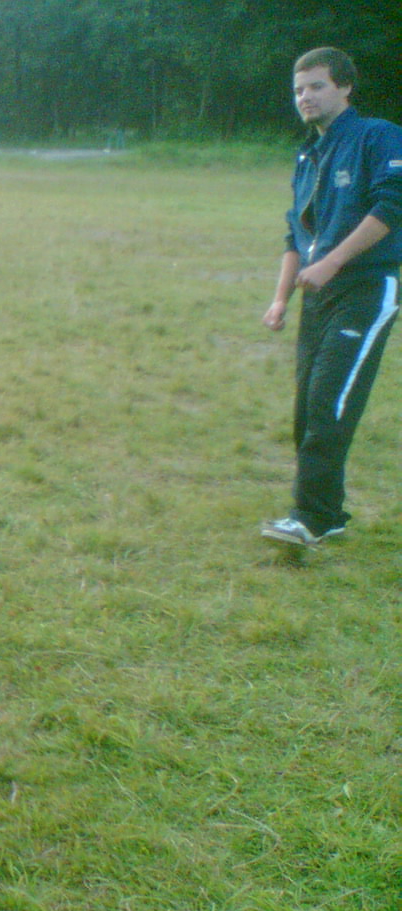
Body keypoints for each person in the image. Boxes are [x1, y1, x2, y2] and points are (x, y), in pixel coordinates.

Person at [260, 46, 402, 548]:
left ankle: (311, 518)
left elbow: (393, 206)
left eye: (317, 86)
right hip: (318, 298)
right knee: (308, 410)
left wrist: (334, 262)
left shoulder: (377, 136)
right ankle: (330, 513)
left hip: (366, 289)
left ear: (344, 86)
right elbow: (295, 234)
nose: (306, 97)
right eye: (299, 89)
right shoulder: (308, 155)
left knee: (329, 404)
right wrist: (280, 299)